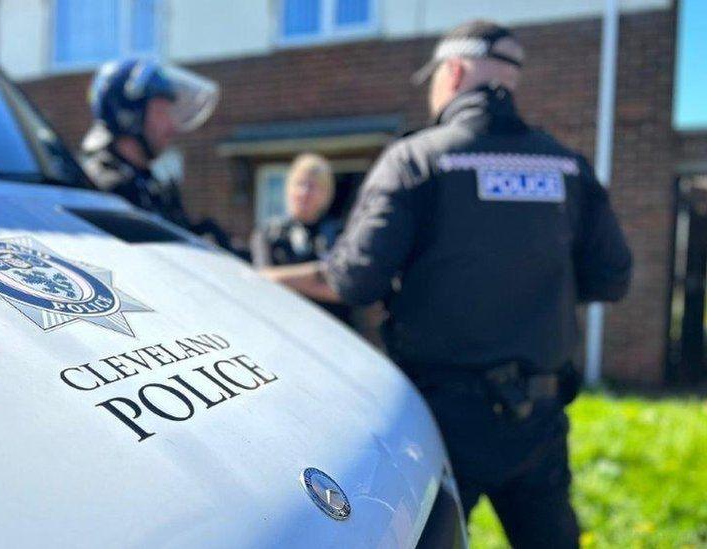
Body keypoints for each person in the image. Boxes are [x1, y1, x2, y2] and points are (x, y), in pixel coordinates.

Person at [261, 20, 632, 548]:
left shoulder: (416, 160)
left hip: (444, 419)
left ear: (452, 72)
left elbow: (352, 279)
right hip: (540, 416)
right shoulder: (567, 166)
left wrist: (254, 278)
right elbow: (613, 279)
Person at [81, 57, 232, 248]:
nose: (171, 125)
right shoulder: (100, 189)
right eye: (161, 111)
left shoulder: (150, 186)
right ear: (128, 115)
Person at [251, 153, 351, 323]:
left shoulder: (341, 233)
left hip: (333, 331)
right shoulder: (269, 234)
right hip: (286, 328)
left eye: (313, 186)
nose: (304, 192)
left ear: (326, 193)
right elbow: (262, 281)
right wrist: (319, 273)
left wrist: (284, 278)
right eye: (300, 184)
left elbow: (345, 286)